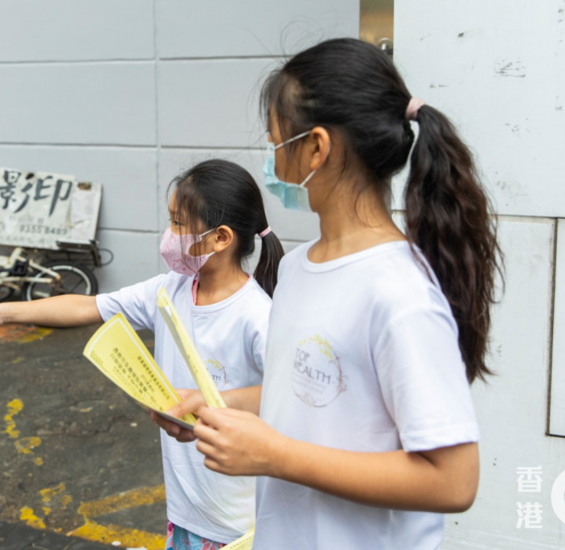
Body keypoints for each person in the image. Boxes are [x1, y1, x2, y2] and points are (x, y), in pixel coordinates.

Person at [157, 38, 502, 549]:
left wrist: (273, 456)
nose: (273, 161)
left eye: (277, 142)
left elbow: (453, 480)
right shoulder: (298, 269)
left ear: (317, 147)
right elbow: (303, 392)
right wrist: (214, 405)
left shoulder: (400, 292)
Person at [0, 159, 283, 549]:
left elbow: (285, 396)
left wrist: (210, 402)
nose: (169, 235)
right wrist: (2, 312)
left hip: (238, 524)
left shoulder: (257, 315)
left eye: (179, 224)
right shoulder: (170, 290)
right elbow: (86, 306)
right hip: (184, 512)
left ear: (221, 238)